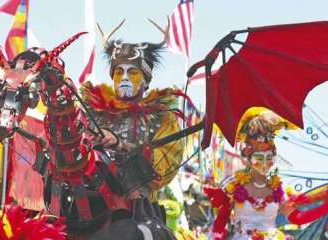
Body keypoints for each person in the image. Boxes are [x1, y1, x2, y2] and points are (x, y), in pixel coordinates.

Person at [81, 19, 185, 239]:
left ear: (146, 80)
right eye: (119, 72)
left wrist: (122, 145)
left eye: (132, 72)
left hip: (139, 210)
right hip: (87, 206)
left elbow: (162, 172)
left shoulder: (162, 117)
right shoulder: (92, 110)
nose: (124, 77)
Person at [204, 111, 328, 240]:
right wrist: (217, 236)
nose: (264, 163)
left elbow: (297, 218)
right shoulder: (233, 185)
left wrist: (325, 207)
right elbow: (222, 219)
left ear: (273, 159)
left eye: (268, 157)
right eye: (259, 157)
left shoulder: (277, 189)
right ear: (248, 157)